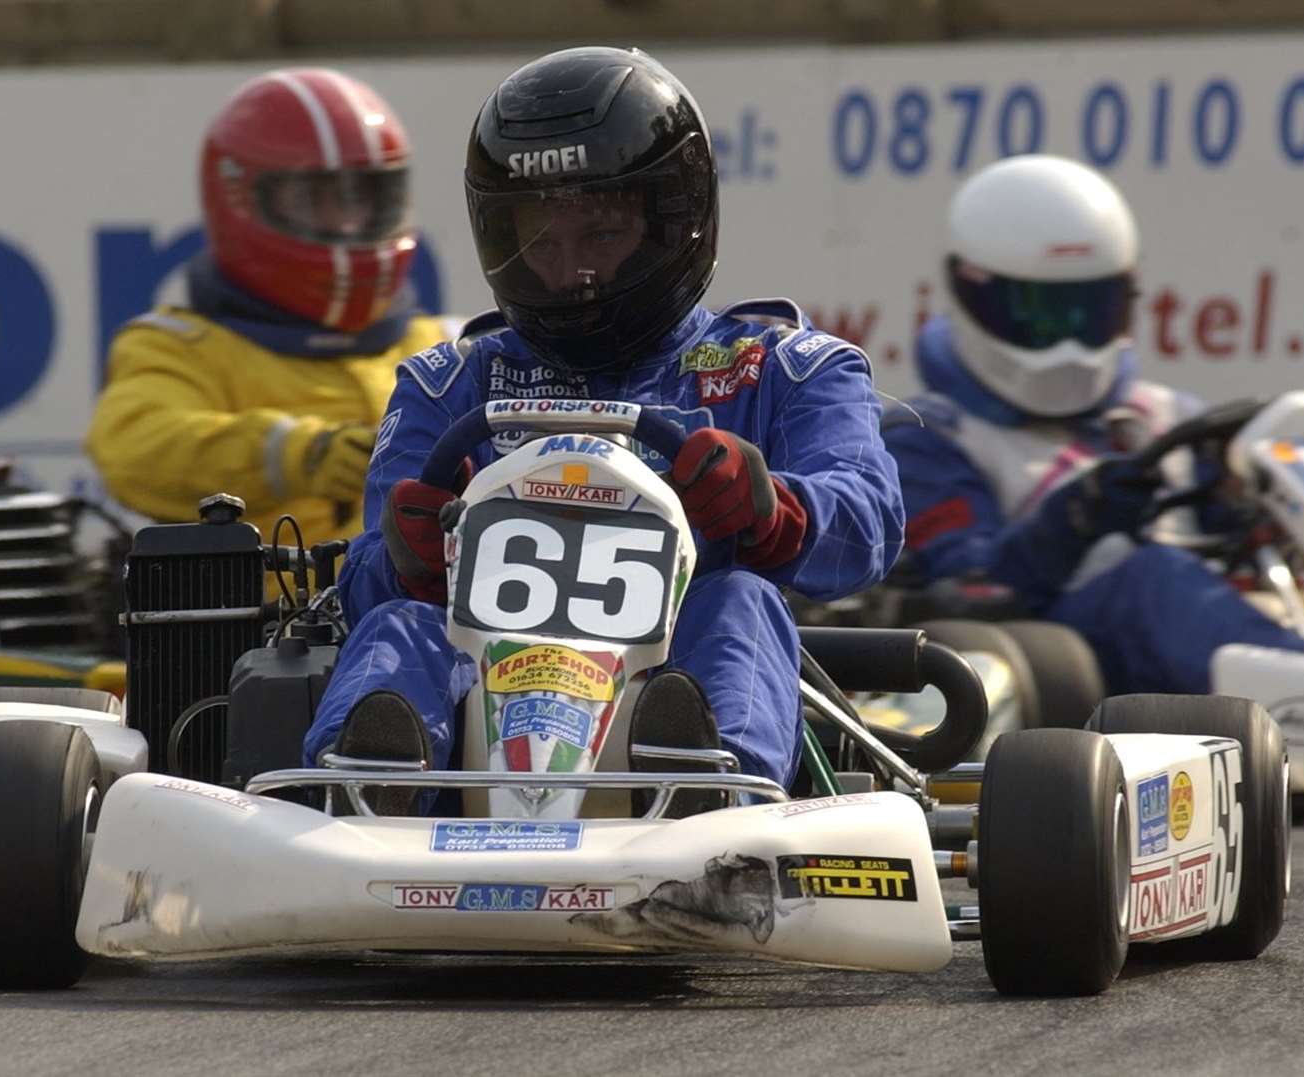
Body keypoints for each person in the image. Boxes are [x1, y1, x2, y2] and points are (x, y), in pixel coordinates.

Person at [301, 46, 904, 811]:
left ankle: (708, 790)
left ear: (672, 223)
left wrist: (775, 510)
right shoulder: (448, 384)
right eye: (541, 242)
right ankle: (366, 795)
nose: (569, 274)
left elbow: (871, 518)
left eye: (600, 236)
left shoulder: (785, 367)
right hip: (481, 717)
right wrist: (404, 557)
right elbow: (361, 584)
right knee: (400, 620)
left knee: (740, 599)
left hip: (676, 680)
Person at [882, 154, 1304, 696]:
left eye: (1091, 310)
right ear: (971, 293)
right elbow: (970, 590)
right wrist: (1072, 521)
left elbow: (1231, 541)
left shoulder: (1169, 416)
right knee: (1150, 579)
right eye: (1041, 312)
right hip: (1055, 678)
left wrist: (1243, 507)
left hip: (1190, 654)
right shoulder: (929, 437)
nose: (1068, 339)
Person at [86, 67, 451, 547]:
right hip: (281, 612)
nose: (344, 222)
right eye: (314, 201)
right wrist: (306, 454)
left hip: (447, 605)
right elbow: (133, 450)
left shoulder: (437, 342)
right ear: (239, 200)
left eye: (361, 199)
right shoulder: (179, 347)